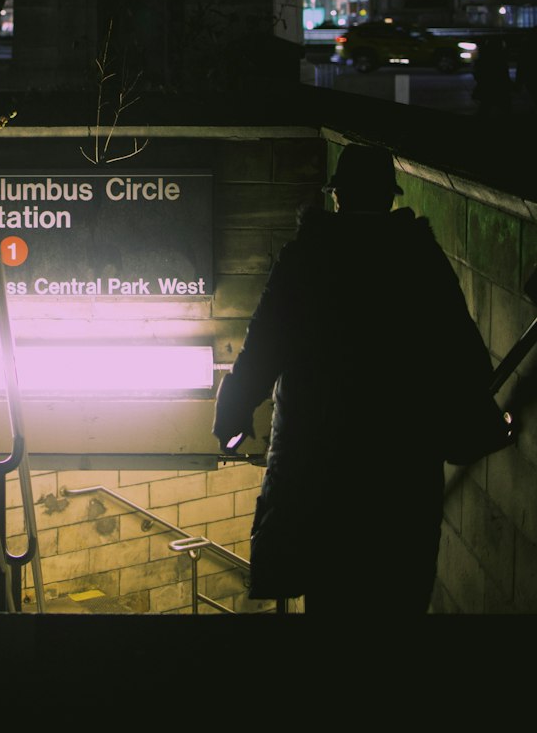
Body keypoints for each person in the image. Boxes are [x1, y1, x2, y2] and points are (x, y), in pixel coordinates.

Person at [213, 143, 513, 615]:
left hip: (320, 456)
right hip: (401, 460)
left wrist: (234, 410)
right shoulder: (419, 260)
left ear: (338, 198)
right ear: (389, 198)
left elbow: (265, 342)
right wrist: (473, 417)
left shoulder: (307, 258)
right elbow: (462, 348)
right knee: (399, 588)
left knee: (329, 588)